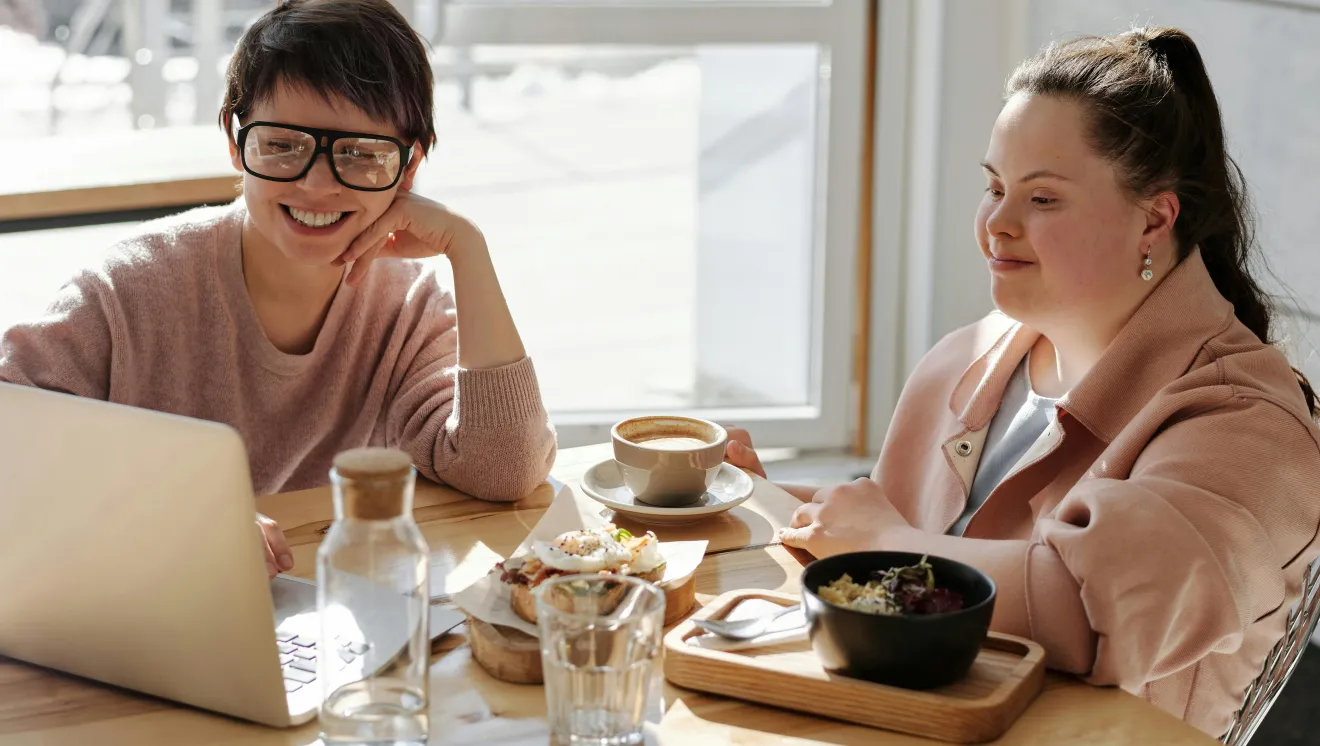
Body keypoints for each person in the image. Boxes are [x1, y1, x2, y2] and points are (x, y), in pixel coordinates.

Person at [726, 27, 1320, 737]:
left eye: (1042, 199)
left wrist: (878, 542)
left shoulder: (1246, 429)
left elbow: (1083, 610)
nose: (995, 225)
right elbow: (910, 540)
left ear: (1154, 220)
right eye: (995, 187)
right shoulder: (970, 356)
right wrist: (759, 501)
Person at [0, 0, 557, 578]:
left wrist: (468, 250)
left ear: (409, 167)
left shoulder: (407, 305)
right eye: (283, 145)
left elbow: (505, 469)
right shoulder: (129, 286)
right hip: (138, 598)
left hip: (316, 613)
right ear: (236, 141)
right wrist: (176, 509)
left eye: (361, 155)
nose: (316, 185)